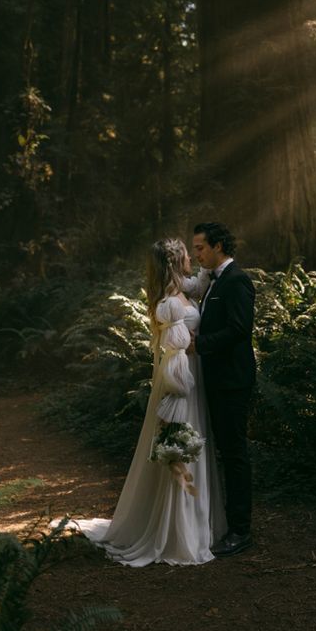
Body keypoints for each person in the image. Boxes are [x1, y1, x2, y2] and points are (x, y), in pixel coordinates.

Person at [72, 238, 226, 566]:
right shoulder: (169, 302)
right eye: (186, 253)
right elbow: (173, 348)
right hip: (180, 381)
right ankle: (178, 532)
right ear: (174, 261)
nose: (191, 256)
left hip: (192, 377)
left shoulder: (181, 290)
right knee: (181, 450)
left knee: (190, 450)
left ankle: (197, 523)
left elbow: (201, 282)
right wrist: (179, 387)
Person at [190, 221, 256, 558]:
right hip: (217, 382)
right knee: (226, 453)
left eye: (200, 247)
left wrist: (197, 345)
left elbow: (239, 330)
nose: (196, 254)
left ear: (218, 246)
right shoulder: (212, 282)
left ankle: (241, 530)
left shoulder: (236, 280)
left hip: (232, 382)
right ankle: (227, 523)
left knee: (234, 454)